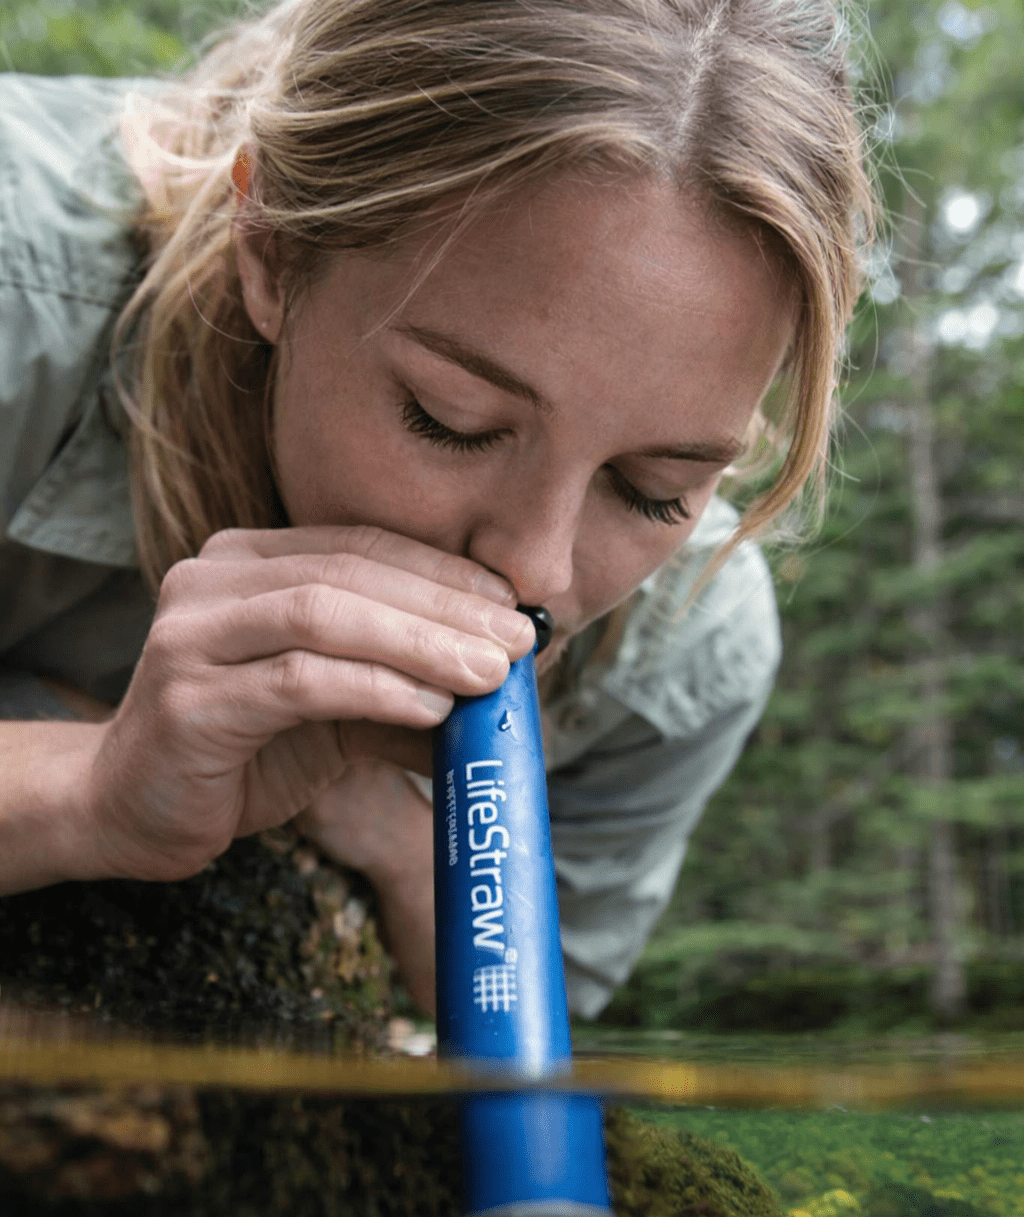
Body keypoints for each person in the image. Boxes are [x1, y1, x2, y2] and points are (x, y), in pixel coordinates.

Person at [0, 0, 873, 1019]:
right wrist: (85, 787)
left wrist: (413, 842)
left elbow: (540, 1015)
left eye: (654, 491)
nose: (537, 571)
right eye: (451, 420)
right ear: (272, 247)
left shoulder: (685, 646)